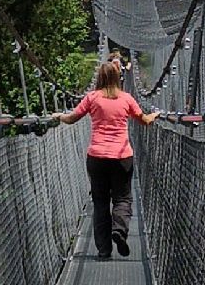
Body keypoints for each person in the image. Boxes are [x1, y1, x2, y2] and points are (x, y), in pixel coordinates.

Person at [52, 59, 160, 260]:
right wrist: (155, 115)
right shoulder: (126, 99)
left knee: (100, 203)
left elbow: (72, 118)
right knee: (122, 198)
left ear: (99, 78)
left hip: (97, 158)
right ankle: (119, 230)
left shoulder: (92, 98)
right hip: (122, 157)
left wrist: (59, 115)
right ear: (117, 78)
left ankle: (103, 250)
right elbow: (144, 120)